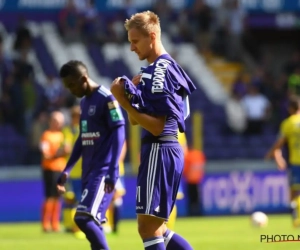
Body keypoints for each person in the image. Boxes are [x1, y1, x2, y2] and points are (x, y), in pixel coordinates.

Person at [110, 11, 196, 250]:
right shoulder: (162, 69)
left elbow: (157, 126)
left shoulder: (158, 72)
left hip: (160, 147)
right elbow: (138, 121)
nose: (131, 48)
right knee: (158, 229)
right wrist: (131, 96)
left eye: (135, 41)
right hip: (164, 148)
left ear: (152, 36)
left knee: (148, 229)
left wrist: (124, 102)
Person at [56, 60, 126, 250]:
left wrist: (113, 169)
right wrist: (67, 169)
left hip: (102, 171)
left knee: (83, 218)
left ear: (84, 79)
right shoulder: (85, 102)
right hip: (88, 171)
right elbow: (82, 138)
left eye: (72, 84)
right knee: (93, 224)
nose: (70, 90)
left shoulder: (106, 98)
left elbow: (119, 130)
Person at [265, 97, 300, 227]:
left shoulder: (288, 123)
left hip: (296, 162)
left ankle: (296, 218)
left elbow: (279, 143)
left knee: (294, 191)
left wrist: (272, 155)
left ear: (290, 109)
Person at [40, 111, 66, 232]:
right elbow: (46, 154)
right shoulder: (46, 135)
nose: (58, 123)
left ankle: (55, 224)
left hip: (61, 169)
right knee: (49, 197)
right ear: (51, 121)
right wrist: (58, 153)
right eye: (56, 121)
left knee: (57, 197)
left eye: (60, 121)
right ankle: (46, 224)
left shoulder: (63, 135)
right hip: (50, 169)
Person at [61, 105, 85, 239]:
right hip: (71, 171)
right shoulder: (67, 130)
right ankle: (70, 225)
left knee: (78, 199)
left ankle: (76, 226)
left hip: (81, 171)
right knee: (70, 199)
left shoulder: (82, 129)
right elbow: (66, 147)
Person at [104, 141, 127, 234]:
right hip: (104, 170)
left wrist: (114, 163)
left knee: (116, 197)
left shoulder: (118, 130)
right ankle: (106, 224)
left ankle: (115, 225)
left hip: (117, 171)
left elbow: (123, 147)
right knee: (105, 197)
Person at [166, 131, 186, 231]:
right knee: (172, 200)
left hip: (166, 164)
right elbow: (184, 149)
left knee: (168, 200)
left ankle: (167, 227)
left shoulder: (165, 125)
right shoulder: (179, 130)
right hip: (176, 165)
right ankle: (169, 227)